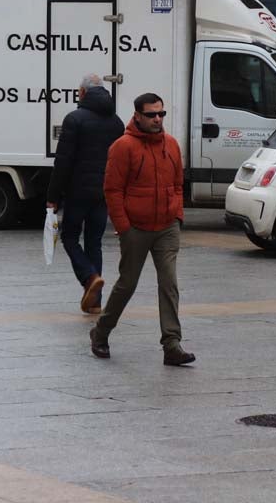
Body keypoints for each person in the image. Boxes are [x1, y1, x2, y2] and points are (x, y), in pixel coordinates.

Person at [89, 92, 194, 366]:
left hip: (167, 226)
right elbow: (112, 190)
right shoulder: (123, 147)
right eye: (151, 115)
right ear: (137, 115)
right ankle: (100, 333)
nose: (157, 119)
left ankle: (172, 344)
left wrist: (177, 215)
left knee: (169, 283)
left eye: (161, 114)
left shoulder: (171, 145)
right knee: (127, 284)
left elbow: (178, 183)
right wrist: (124, 227)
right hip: (136, 227)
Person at [45, 73, 124, 314]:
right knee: (94, 242)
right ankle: (95, 301)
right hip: (104, 193)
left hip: (78, 191)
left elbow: (63, 161)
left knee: (70, 238)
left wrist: (53, 196)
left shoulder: (74, 119)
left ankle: (89, 278)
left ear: (82, 93)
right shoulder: (117, 122)